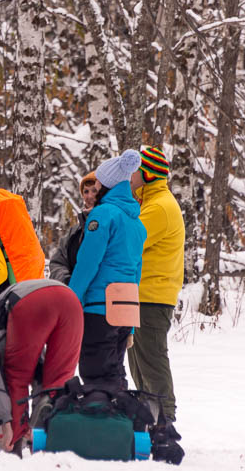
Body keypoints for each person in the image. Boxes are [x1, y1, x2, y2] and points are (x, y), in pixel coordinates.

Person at [0, 279, 83, 454]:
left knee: (16, 377)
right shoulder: (6, 332)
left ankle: (16, 446)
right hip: (71, 300)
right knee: (58, 384)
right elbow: (40, 370)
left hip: (31, 301)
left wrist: (8, 425)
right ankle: (52, 440)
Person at [69, 150, 145, 391]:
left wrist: (70, 301)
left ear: (108, 185)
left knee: (95, 375)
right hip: (125, 309)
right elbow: (136, 273)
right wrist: (131, 326)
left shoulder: (103, 215)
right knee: (114, 375)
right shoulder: (136, 223)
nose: (96, 185)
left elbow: (88, 263)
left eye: (99, 181)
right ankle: (121, 423)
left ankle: (106, 423)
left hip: (100, 308)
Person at [127, 147, 185, 423]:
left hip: (152, 296)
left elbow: (129, 241)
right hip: (143, 294)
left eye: (135, 170)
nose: (130, 175)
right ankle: (150, 419)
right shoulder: (150, 202)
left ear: (147, 174)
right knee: (138, 365)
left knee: (151, 362)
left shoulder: (159, 207)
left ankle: (165, 420)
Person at [49, 171, 100, 283]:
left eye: (94, 191)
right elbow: (57, 262)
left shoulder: (111, 224)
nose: (89, 196)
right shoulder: (74, 232)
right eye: (86, 191)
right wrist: (67, 281)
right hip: (75, 295)